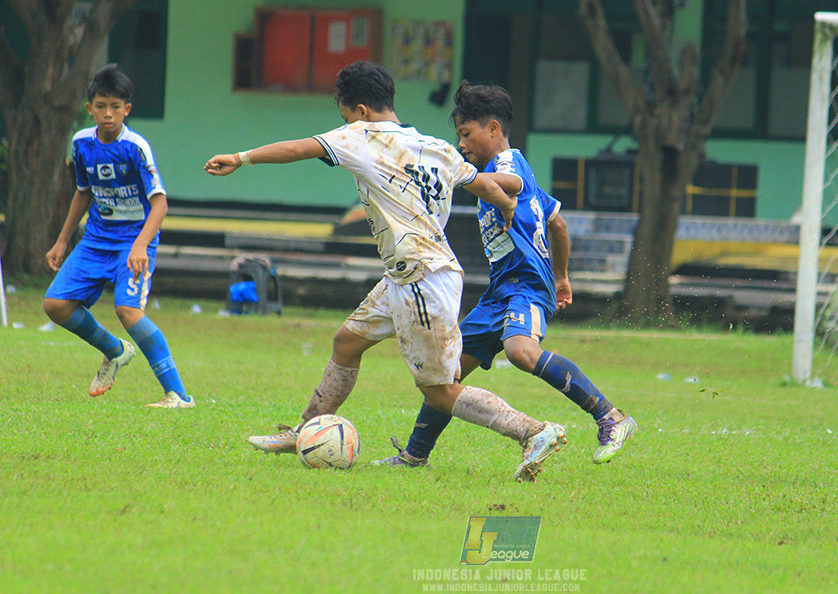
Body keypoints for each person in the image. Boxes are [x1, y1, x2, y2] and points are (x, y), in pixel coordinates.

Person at [204, 61, 566, 482]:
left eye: (343, 118)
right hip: (409, 274)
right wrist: (506, 205)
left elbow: (301, 148)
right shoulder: (434, 147)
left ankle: (533, 431)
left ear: (359, 110)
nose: (341, 127)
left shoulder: (361, 135)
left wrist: (241, 158)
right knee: (346, 343)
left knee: (438, 390)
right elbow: (482, 183)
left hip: (420, 279)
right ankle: (304, 430)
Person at [375, 81, 637, 469]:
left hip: (526, 286)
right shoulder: (515, 181)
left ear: (493, 129)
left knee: (520, 352)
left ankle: (612, 418)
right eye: (459, 137)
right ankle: (414, 456)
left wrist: (456, 175)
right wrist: (564, 277)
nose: (462, 144)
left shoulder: (507, 164)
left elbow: (511, 184)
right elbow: (559, 225)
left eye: (467, 134)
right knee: (443, 376)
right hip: (501, 292)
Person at [44, 64, 194, 408]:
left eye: (115, 107)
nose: (108, 114)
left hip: (133, 242)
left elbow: (160, 204)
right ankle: (114, 351)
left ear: (127, 109)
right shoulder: (81, 142)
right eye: (101, 106)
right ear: (89, 109)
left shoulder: (136, 147)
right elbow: (83, 191)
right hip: (96, 239)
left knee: (128, 310)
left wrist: (140, 245)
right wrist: (63, 239)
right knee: (55, 305)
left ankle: (178, 395)